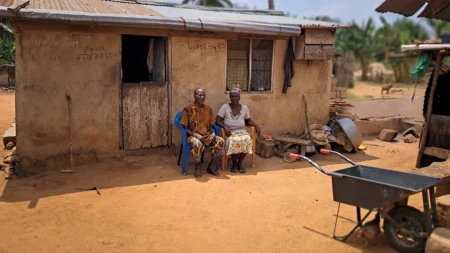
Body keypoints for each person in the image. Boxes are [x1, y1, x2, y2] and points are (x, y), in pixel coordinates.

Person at [180, 88, 225, 178]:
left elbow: (211, 126)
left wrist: (213, 134)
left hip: (206, 135)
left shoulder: (208, 109)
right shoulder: (187, 109)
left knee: (220, 141)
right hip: (192, 136)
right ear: (194, 96)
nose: (202, 97)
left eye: (204, 95)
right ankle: (198, 167)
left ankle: (210, 167)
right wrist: (195, 135)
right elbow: (184, 127)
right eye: (200, 95)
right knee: (198, 144)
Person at [216, 88, 260, 173]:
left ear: (239, 97)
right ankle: (234, 163)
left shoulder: (244, 108)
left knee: (247, 140)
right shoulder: (225, 107)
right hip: (230, 131)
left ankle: (240, 162)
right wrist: (225, 127)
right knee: (234, 141)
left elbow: (248, 120)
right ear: (229, 97)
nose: (234, 98)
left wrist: (255, 125)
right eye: (232, 96)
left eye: (236, 96)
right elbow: (217, 120)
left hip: (241, 131)